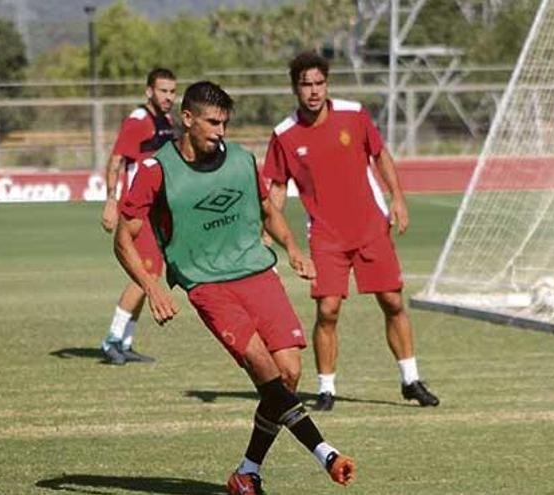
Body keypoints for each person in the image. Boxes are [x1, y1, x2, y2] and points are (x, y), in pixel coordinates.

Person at [115, 81, 356, 495]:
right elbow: (122, 238)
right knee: (264, 369)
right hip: (208, 284)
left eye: (225, 123)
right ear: (186, 120)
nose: (220, 131)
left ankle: (248, 471)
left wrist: (293, 247)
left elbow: (268, 210)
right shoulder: (157, 170)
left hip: (258, 274)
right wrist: (152, 286)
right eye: (212, 122)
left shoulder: (243, 160)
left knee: (290, 373)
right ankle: (326, 453)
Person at [263, 52, 439, 411]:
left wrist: (398, 198)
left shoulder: (354, 115)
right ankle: (326, 389)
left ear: (327, 83)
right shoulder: (283, 134)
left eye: (319, 83)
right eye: (305, 84)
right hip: (326, 235)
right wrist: (269, 230)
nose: (313, 91)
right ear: (295, 87)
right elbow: (277, 187)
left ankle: (411, 379)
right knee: (327, 310)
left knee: (392, 301)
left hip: (370, 226)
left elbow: (381, 155)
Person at [98, 67, 178, 365]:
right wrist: (110, 199)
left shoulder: (167, 123)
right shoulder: (137, 121)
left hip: (158, 211)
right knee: (146, 274)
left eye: (172, 91)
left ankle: (125, 342)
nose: (169, 97)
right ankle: (111, 341)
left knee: (151, 274)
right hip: (138, 210)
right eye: (163, 91)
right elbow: (116, 160)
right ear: (149, 91)